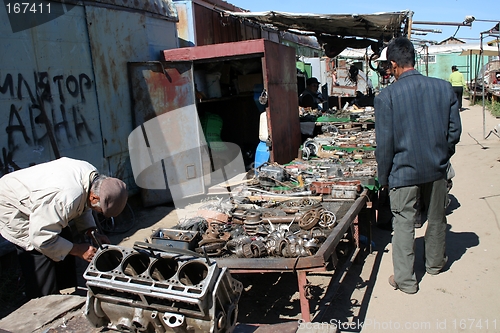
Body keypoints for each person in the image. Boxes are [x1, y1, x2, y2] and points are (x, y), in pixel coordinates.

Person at [374, 37, 462, 294]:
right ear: (413, 59)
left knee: (403, 222)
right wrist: (441, 155)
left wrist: (384, 176)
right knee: (436, 218)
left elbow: (385, 144)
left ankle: (406, 281)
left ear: (393, 65)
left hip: (403, 172)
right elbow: (454, 131)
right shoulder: (443, 88)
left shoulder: (387, 96)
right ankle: (435, 265)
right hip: (436, 169)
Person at [0, 157, 128, 299]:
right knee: (39, 252)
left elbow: (83, 205)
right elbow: (41, 237)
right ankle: (45, 302)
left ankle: (67, 293)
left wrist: (91, 232)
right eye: (100, 211)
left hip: (44, 201)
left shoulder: (94, 180)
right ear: (94, 198)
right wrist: (79, 250)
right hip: (12, 204)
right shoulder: (66, 198)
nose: (98, 212)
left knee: (63, 238)